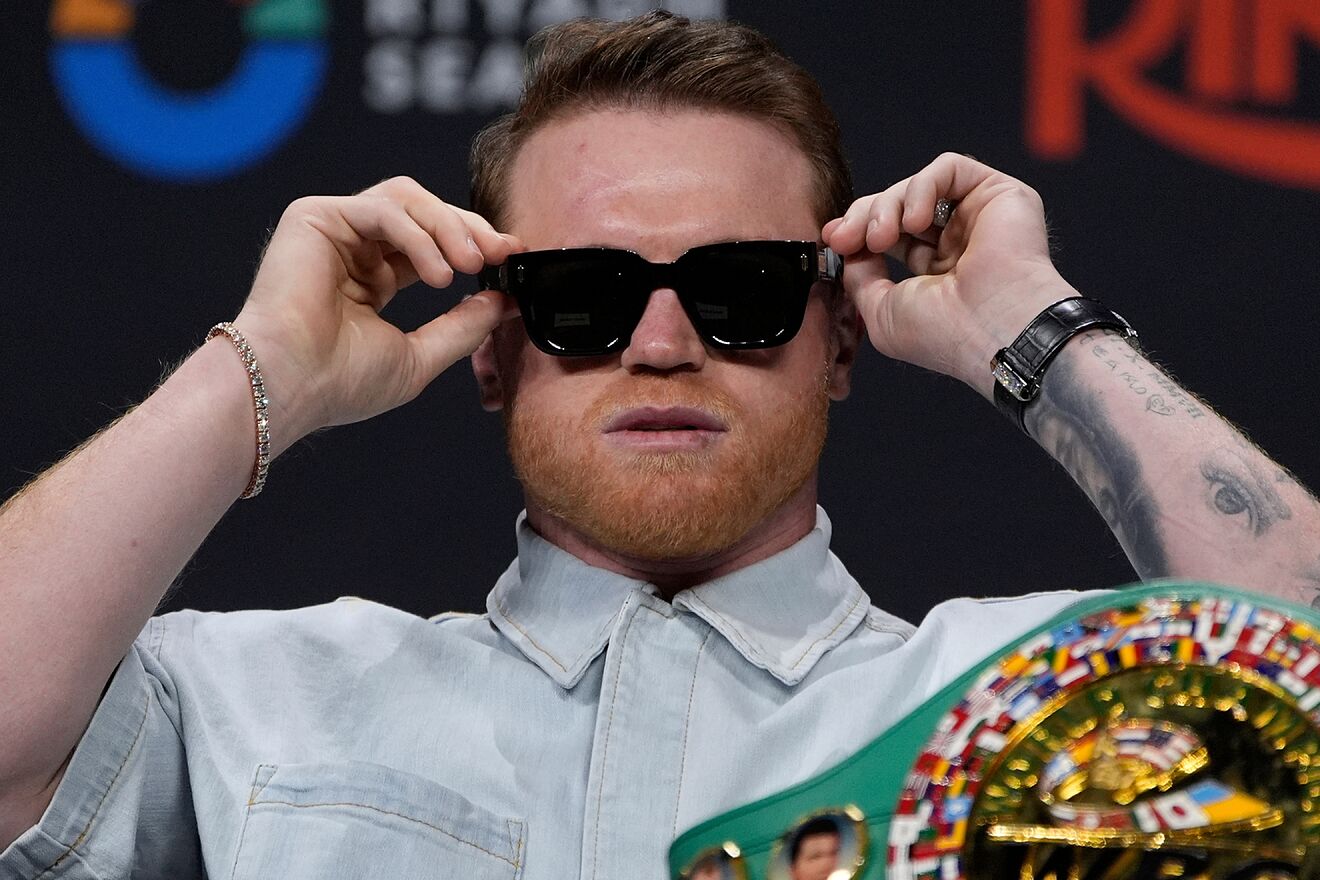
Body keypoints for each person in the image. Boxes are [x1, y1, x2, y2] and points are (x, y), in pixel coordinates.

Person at [2, 11, 1318, 879]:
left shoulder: (1025, 706)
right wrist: (263, 367)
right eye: (584, 294)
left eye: (743, 288)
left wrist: (1031, 335)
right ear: (496, 349)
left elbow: (1301, 704)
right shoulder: (249, 699)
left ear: (841, 337)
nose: (662, 342)